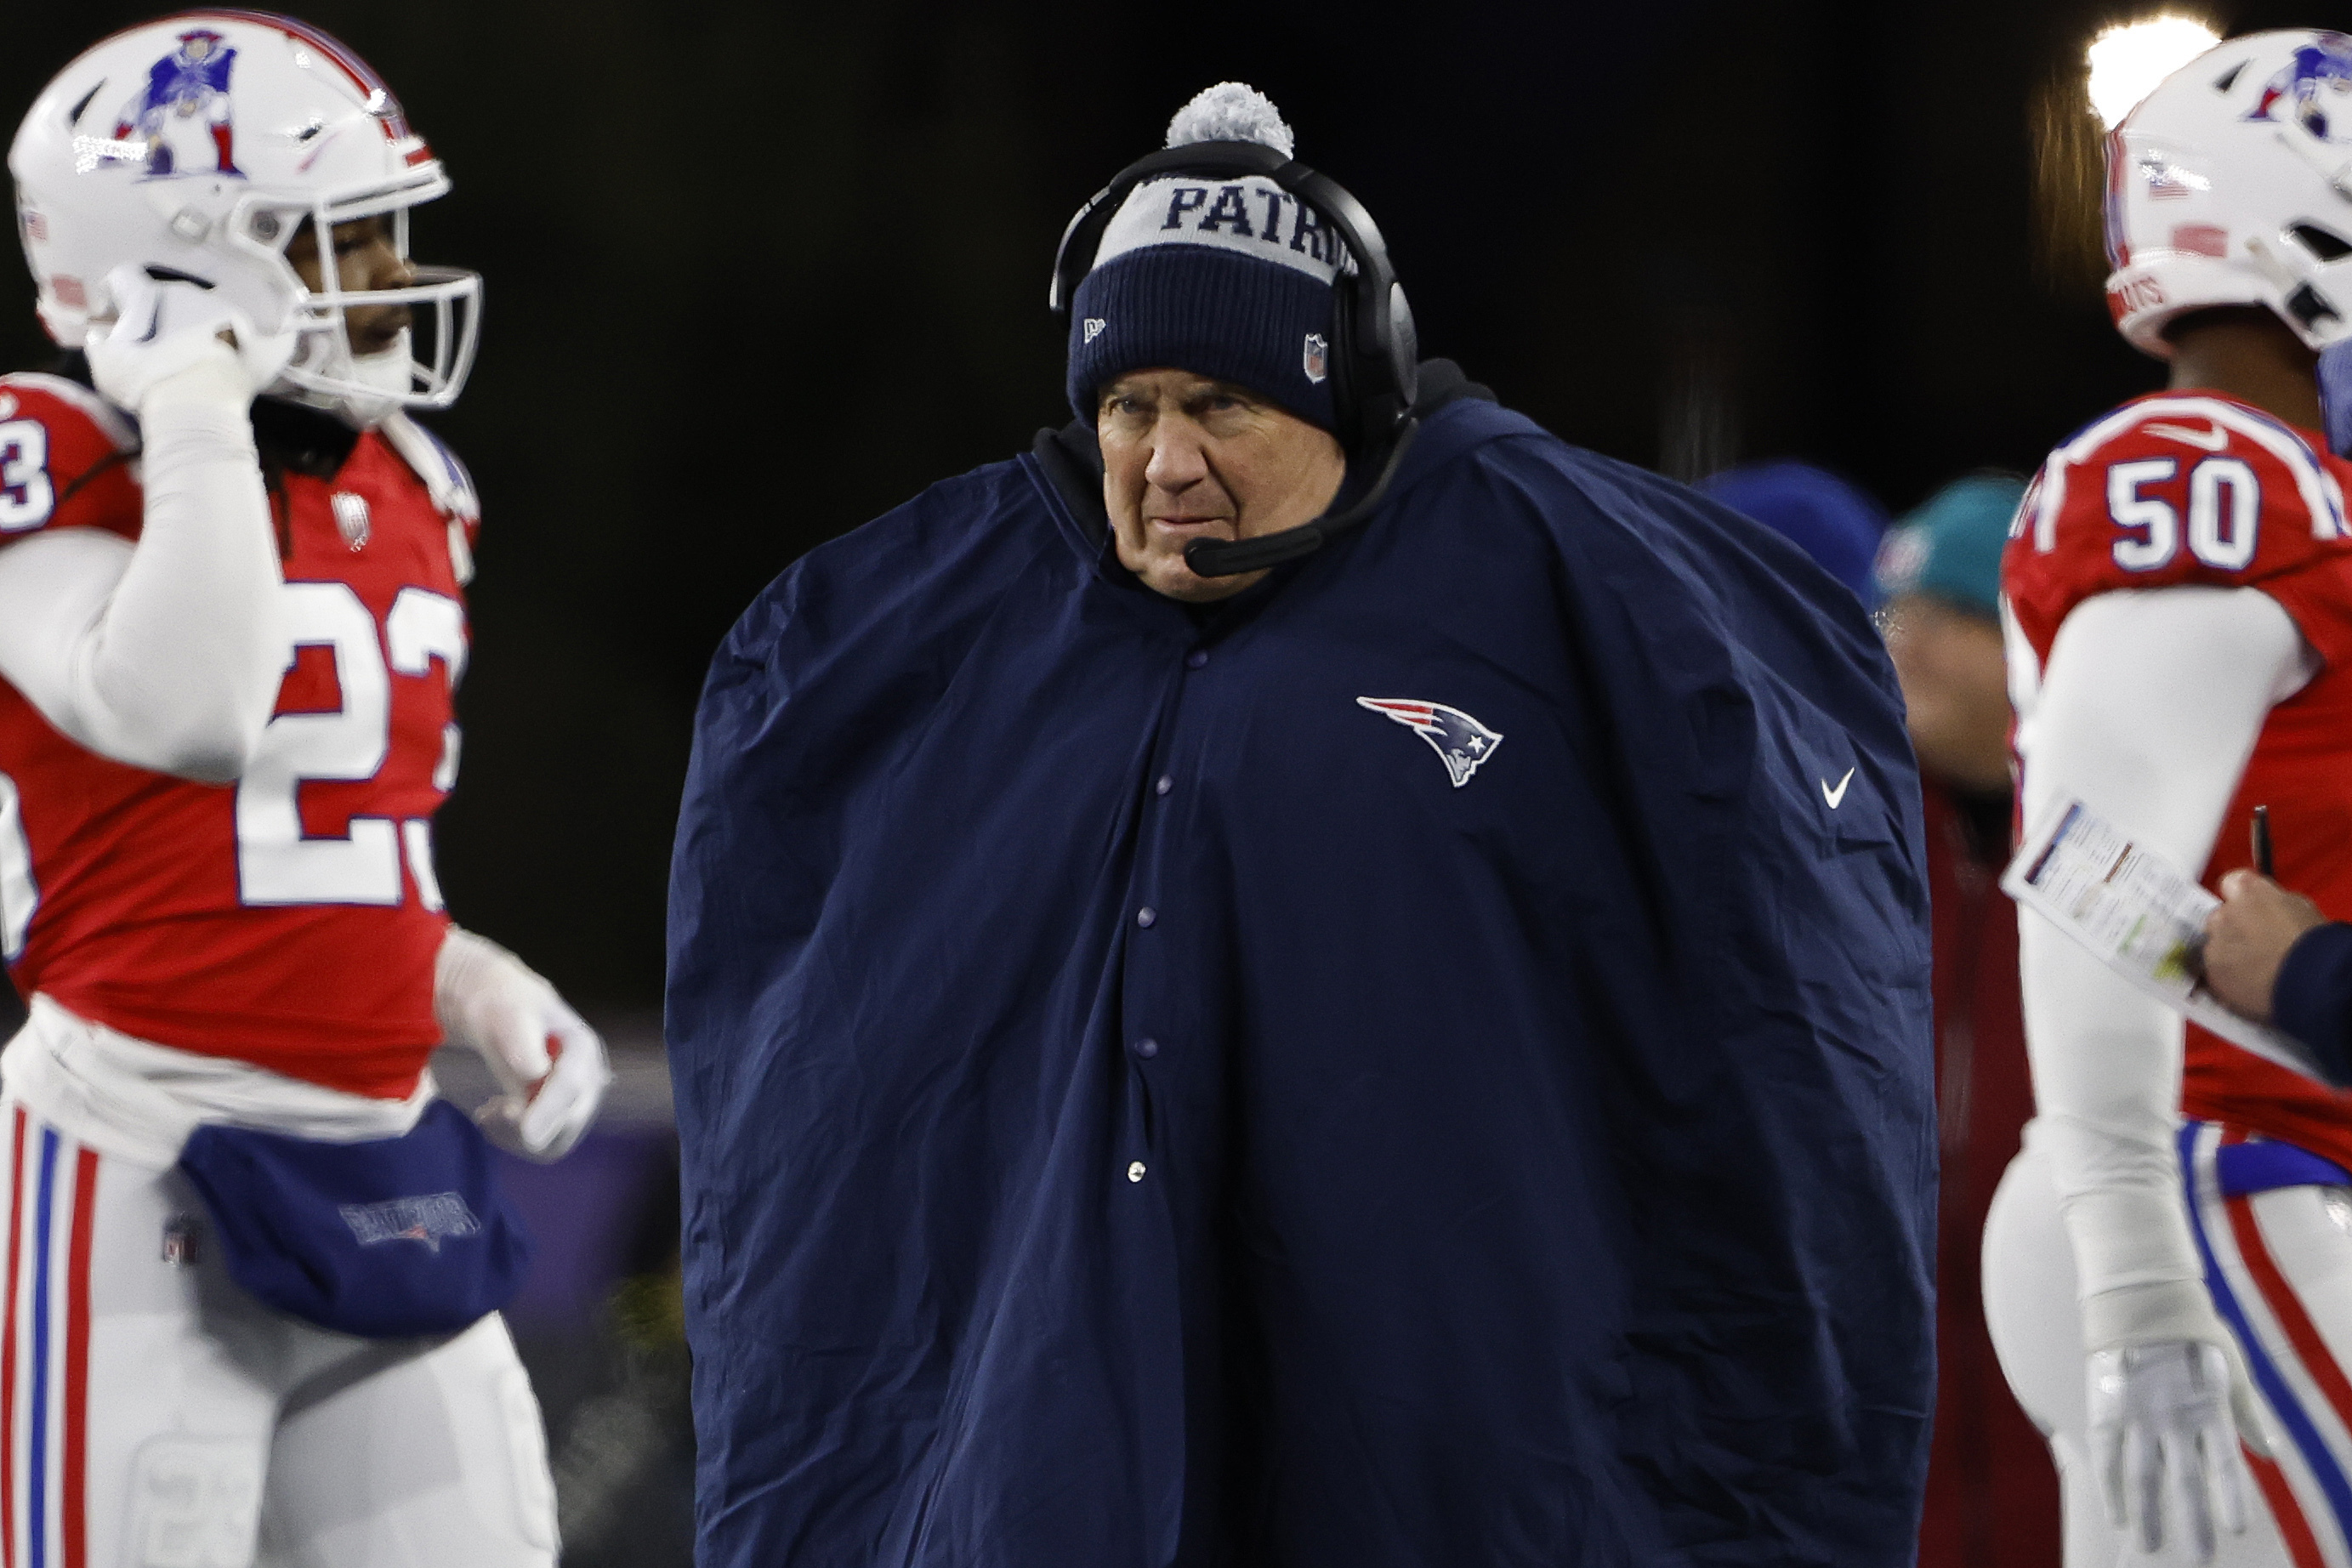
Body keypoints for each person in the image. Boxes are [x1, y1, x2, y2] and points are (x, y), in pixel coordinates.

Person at [668, 82, 1935, 1564]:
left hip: (1450, 1453)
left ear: (1358, 391)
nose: (1165, 459)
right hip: (1054, 1464)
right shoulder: (898, 638)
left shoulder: (1597, 606)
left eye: (1222, 403)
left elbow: (1789, 1057)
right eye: (1127, 405)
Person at [0, 14, 609, 1559]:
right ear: (191, 261)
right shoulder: (55, 445)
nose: (393, 278)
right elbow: (188, 711)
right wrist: (193, 407)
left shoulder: (408, 479)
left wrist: (469, 980)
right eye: (343, 241)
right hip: (137, 1149)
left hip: (375, 1145)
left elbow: (330, 844)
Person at [1986, 28, 2352, 1565]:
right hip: (2208, 1176)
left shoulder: (2284, 488)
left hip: (2248, 1176)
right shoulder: (2207, 466)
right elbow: (2089, 864)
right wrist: (2140, 1270)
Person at [1873, 476, 2066, 1568]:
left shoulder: (2149, 859)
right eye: (1896, 617)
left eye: (1945, 618)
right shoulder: (1845, 849)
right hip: (1906, 1465)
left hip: (2078, 1454)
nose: (1908, 648)